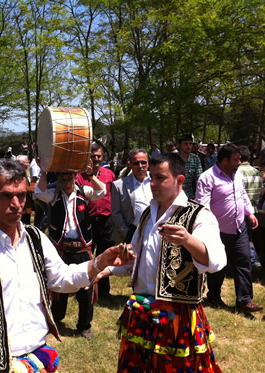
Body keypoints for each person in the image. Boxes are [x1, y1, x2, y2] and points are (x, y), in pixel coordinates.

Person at [0, 159, 133, 372]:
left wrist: (100, 261)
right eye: (6, 195)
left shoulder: (36, 238)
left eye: (21, 195)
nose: (16, 203)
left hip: (38, 360)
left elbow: (62, 278)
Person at [94, 153, 226, 372]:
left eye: (160, 178)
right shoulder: (148, 213)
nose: (152, 183)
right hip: (142, 311)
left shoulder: (199, 216)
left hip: (177, 317)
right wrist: (105, 270)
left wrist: (188, 240)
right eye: (151, 177)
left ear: (179, 180)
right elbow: (136, 258)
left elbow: (216, 262)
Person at [35, 160, 105, 340]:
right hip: (61, 249)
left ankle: (84, 325)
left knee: (86, 289)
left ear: (76, 177)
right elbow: (39, 192)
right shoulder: (54, 194)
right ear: (58, 178)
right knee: (58, 288)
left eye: (70, 177)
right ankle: (56, 319)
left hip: (82, 247)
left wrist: (90, 176)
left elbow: (101, 191)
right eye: (63, 177)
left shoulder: (83, 191)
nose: (66, 182)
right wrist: (43, 171)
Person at [195, 144, 263, 313]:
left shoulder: (237, 175)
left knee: (244, 261)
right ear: (225, 160)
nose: (239, 162)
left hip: (239, 227)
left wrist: (250, 213)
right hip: (218, 231)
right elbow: (202, 205)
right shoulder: (207, 178)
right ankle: (215, 296)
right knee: (219, 265)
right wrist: (209, 228)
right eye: (236, 159)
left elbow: (243, 195)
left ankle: (244, 300)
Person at [77, 144, 117, 299]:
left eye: (98, 156)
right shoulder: (80, 176)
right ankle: (85, 287)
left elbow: (113, 195)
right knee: (87, 255)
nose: (96, 159)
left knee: (105, 254)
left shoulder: (110, 174)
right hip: (87, 220)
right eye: (93, 157)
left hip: (106, 220)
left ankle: (104, 290)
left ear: (102, 157)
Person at [112, 149, 152, 245]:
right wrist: (127, 233)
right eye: (136, 163)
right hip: (133, 232)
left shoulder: (156, 180)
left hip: (155, 230)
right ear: (130, 164)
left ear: (148, 163)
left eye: (143, 162)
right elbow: (116, 212)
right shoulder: (119, 185)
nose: (140, 166)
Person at [238, 145, 264, 272]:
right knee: (248, 237)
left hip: (243, 210)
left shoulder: (237, 172)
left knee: (244, 238)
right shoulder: (257, 172)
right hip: (254, 209)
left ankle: (253, 261)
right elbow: (261, 191)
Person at [178, 135, 203, 200]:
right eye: (186, 144)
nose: (189, 146)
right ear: (179, 145)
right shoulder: (172, 158)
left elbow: (199, 179)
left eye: (190, 144)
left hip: (189, 196)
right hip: (174, 195)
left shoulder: (195, 159)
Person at [16, 154, 34, 224]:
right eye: (27, 162)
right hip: (22, 207)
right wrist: (36, 189)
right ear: (21, 164)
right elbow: (23, 189)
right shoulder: (18, 174)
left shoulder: (23, 173)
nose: (28, 164)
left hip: (26, 206)